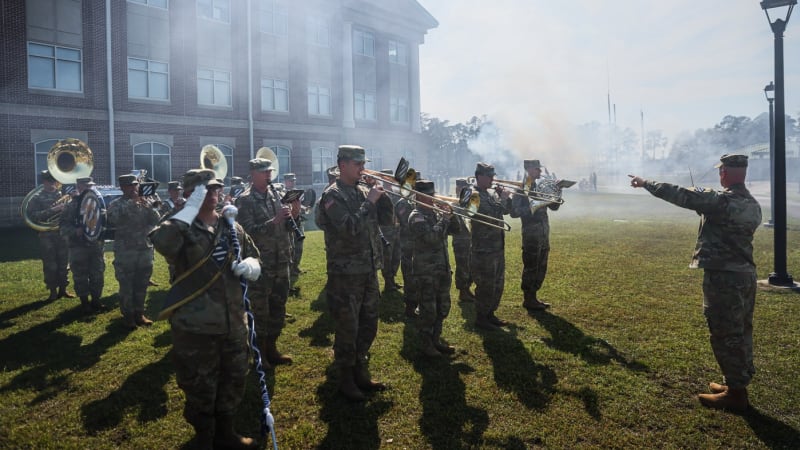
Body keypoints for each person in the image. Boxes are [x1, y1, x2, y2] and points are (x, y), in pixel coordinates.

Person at [629, 153, 762, 413]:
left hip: (724, 277)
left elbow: (679, 194)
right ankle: (735, 382)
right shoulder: (752, 204)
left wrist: (645, 183)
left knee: (725, 332)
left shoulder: (720, 201)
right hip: (745, 275)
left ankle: (736, 394)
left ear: (724, 172)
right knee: (741, 330)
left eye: (721, 171)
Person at [150, 169, 261, 448]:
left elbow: (253, 254)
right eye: (205, 190)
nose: (213, 194)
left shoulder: (230, 224)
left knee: (233, 380)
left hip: (233, 322)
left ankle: (225, 432)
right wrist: (188, 210)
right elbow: (162, 243)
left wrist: (252, 266)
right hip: (196, 327)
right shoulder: (179, 225)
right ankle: (203, 437)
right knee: (200, 387)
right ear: (190, 193)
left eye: (216, 189)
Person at [316, 145, 394, 401]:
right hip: (346, 274)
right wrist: (369, 201)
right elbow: (349, 227)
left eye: (363, 163)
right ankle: (346, 379)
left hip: (368, 268)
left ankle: (361, 369)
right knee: (348, 327)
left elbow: (386, 220)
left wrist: (382, 197)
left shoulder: (362, 190)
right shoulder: (332, 195)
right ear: (343, 165)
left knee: (369, 323)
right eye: (357, 164)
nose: (362, 168)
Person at [235, 158, 293, 367]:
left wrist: (292, 216)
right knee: (260, 311)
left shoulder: (277, 194)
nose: (268, 175)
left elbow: (285, 227)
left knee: (278, 307)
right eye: (263, 172)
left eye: (270, 171)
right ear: (253, 174)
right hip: (261, 264)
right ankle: (260, 355)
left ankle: (272, 348)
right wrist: (274, 221)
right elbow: (246, 232)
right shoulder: (245, 200)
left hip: (281, 260)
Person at [408, 180, 460, 357]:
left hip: (442, 268)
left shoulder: (436, 214)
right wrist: (444, 219)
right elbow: (431, 238)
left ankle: (436, 339)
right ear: (418, 196)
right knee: (428, 310)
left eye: (433, 194)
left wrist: (452, 215)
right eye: (428, 196)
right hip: (426, 271)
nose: (432, 198)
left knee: (442, 307)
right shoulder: (416, 216)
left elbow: (456, 230)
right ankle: (426, 344)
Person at [106, 174, 162, 329]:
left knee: (142, 284)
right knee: (127, 286)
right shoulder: (116, 204)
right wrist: (132, 203)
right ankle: (128, 317)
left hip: (144, 249)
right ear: (122, 188)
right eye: (129, 186)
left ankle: (139, 313)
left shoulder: (146, 202)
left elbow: (156, 220)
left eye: (135, 185)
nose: (133, 188)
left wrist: (150, 207)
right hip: (126, 251)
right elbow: (112, 220)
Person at [510, 159, 560, 311]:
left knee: (541, 265)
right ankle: (528, 298)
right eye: (537, 169)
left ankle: (534, 296)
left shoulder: (539, 187)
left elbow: (554, 207)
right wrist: (532, 208)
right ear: (530, 170)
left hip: (543, 232)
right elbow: (514, 212)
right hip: (531, 233)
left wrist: (558, 190)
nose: (540, 172)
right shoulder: (521, 188)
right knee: (531, 265)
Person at [470, 162, 512, 330]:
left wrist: (504, 197)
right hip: (484, 249)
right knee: (486, 285)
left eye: (492, 176)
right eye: (489, 176)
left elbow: (506, 211)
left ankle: (490, 313)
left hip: (496, 247)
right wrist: (503, 198)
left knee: (497, 283)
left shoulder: (490, 193)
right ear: (479, 176)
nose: (492, 179)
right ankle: (481, 317)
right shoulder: (473, 195)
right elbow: (490, 215)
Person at [59, 176, 105, 314]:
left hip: (95, 245)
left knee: (98, 274)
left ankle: (96, 301)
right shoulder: (71, 205)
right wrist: (75, 231)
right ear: (79, 187)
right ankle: (84, 303)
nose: (89, 188)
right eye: (86, 186)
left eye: (90, 186)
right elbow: (62, 227)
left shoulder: (96, 202)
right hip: (78, 246)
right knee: (80, 275)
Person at [27, 170, 74, 300]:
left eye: (54, 180)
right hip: (46, 235)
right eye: (49, 181)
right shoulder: (37, 198)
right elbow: (33, 216)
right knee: (50, 264)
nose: (52, 183)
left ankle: (63, 290)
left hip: (62, 233)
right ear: (44, 181)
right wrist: (53, 210)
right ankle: (52, 291)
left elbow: (69, 214)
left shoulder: (62, 195)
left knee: (64, 263)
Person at [378, 169, 402, 292]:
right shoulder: (379, 193)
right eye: (386, 177)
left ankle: (392, 278)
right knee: (387, 256)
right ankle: (388, 281)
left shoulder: (397, 192)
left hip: (397, 228)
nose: (389, 180)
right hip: (386, 229)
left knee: (397, 255)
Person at [452, 177, 475, 302]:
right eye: (463, 188)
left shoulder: (469, 202)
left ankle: (467, 288)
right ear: (457, 188)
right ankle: (462, 291)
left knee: (470, 265)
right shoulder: (453, 203)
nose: (466, 191)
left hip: (470, 239)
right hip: (460, 240)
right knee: (462, 266)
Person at [283, 173, 306, 279]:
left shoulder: (297, 192)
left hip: (298, 221)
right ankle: (290, 268)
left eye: (294, 180)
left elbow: (300, 204)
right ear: (286, 181)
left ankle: (296, 266)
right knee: (290, 246)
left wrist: (304, 208)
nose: (293, 182)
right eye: (291, 181)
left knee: (299, 246)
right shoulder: (280, 192)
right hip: (288, 222)